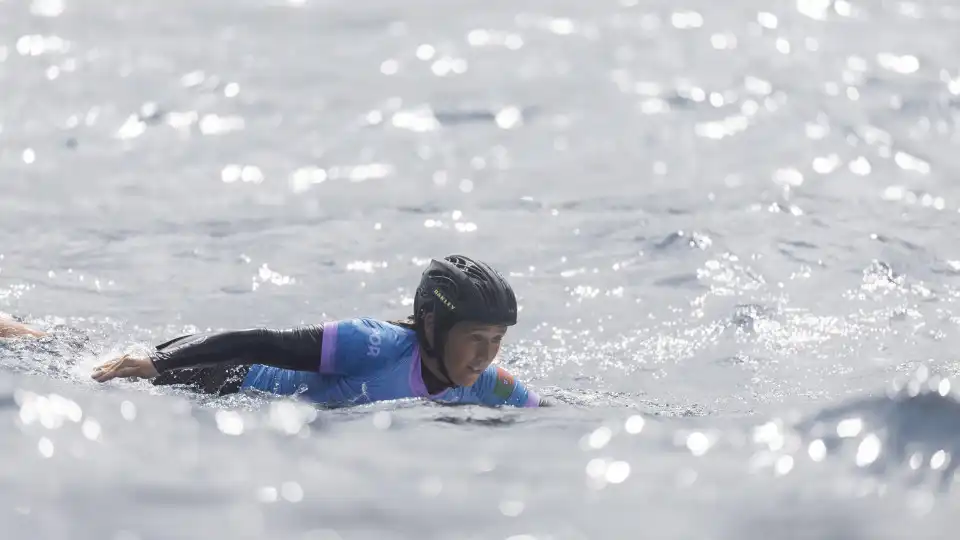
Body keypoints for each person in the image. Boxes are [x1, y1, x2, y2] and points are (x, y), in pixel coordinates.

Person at [2, 255, 545, 408]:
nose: (486, 354)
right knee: (66, 359)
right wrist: (158, 365)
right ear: (432, 324)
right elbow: (261, 340)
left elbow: (552, 413)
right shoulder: (371, 343)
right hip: (220, 375)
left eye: (497, 339)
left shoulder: (486, 383)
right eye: (477, 338)